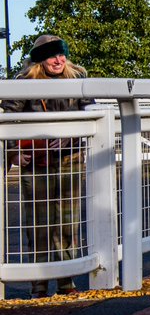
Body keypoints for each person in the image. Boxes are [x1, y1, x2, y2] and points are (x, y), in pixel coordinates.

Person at [1, 35, 93, 298]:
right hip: (36, 162)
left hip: (69, 161)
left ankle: (66, 281)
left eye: (61, 55)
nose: (58, 60)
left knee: (68, 222)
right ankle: (38, 285)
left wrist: (70, 135)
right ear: (40, 59)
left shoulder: (78, 79)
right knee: (38, 224)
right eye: (52, 56)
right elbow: (7, 118)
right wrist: (14, 151)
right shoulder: (25, 82)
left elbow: (91, 114)